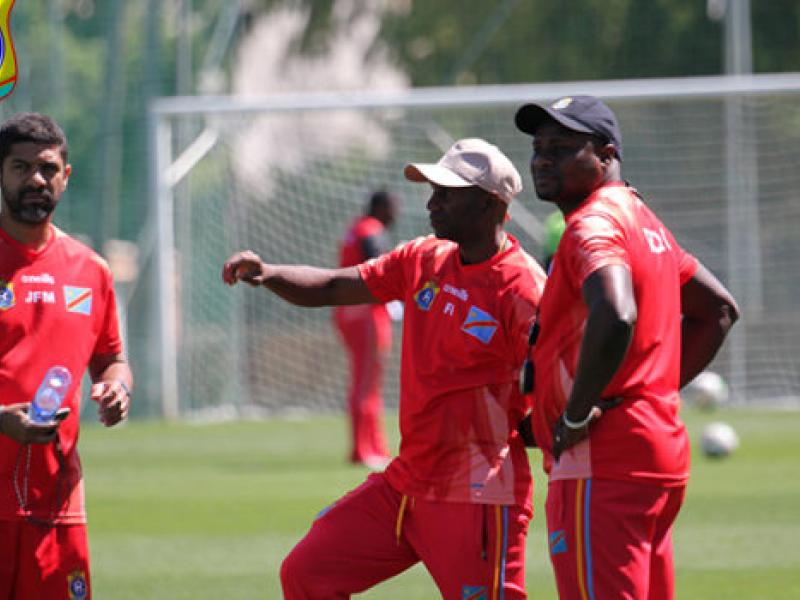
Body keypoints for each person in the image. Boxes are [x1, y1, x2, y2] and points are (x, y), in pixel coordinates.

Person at [222, 138, 546, 599]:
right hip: (406, 484)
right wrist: (268, 272)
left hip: (477, 497)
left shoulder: (524, 288)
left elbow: (556, 388)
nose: (432, 203)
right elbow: (334, 286)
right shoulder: (423, 259)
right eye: (432, 190)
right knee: (308, 572)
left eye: (447, 193)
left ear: (490, 203)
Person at [514, 95, 739, 599]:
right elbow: (718, 310)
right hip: (655, 453)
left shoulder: (593, 223)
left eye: (563, 147)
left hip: (603, 461)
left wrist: (573, 415)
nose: (543, 158)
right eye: (539, 146)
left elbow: (616, 314)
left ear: (607, 154)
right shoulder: (645, 219)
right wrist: (651, 389)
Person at [0, 113, 133, 600]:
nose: (36, 179)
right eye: (20, 167)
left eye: (48, 168)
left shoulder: (91, 271)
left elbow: (112, 358)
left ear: (66, 176)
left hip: (55, 505)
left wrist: (118, 387)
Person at [334, 189, 399, 469]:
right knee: (366, 383)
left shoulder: (354, 228)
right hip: (367, 314)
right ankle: (363, 449)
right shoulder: (371, 231)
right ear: (382, 207)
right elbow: (380, 269)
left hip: (348, 313)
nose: (396, 213)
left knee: (366, 382)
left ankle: (374, 446)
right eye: (393, 206)